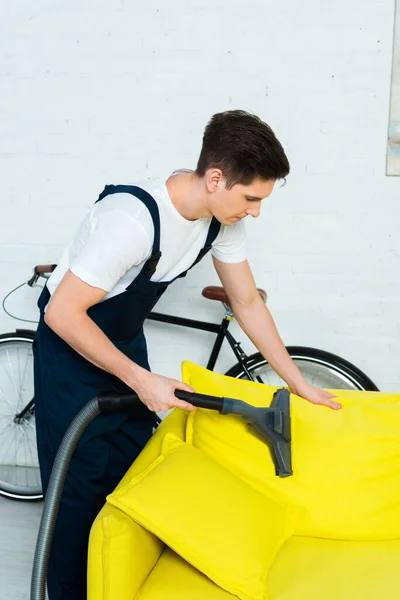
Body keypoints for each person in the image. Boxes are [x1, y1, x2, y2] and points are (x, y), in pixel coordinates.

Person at [33, 109, 341, 600]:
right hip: (72, 351)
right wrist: (141, 379)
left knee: (133, 476)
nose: (256, 211)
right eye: (251, 198)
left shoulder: (222, 222)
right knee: (77, 493)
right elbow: (63, 316)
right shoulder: (131, 219)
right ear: (216, 178)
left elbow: (245, 302)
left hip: (123, 342)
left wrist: (296, 381)